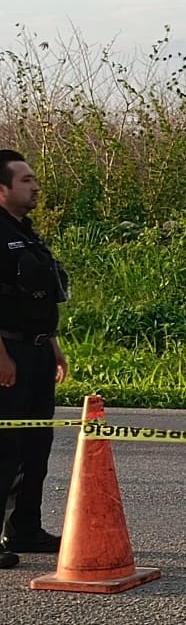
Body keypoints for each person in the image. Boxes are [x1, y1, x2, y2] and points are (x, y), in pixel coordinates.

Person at [0, 150, 69, 569]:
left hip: (37, 349)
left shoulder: (25, 232)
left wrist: (53, 345)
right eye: (25, 180)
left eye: (34, 179)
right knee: (4, 448)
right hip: (9, 353)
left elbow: (37, 297)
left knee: (35, 446)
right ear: (2, 189)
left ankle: (24, 528)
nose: (35, 186)